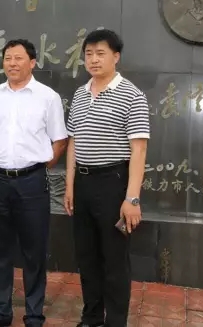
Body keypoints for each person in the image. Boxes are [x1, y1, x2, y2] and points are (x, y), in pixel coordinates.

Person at [0, 39, 68, 327]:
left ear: (32, 62)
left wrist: (35, 166)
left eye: (18, 58)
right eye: (7, 58)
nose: (12, 63)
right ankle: (0, 312)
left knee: (34, 250)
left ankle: (34, 313)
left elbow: (60, 140)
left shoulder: (48, 97)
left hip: (32, 182)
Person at [63, 29, 150, 327]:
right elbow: (73, 142)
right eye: (89, 54)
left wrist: (132, 198)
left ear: (116, 56)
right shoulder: (80, 93)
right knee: (86, 256)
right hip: (84, 183)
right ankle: (91, 318)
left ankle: (115, 321)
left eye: (100, 53)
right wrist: (70, 185)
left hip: (113, 183)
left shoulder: (132, 95)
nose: (94, 59)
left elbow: (139, 150)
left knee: (114, 259)